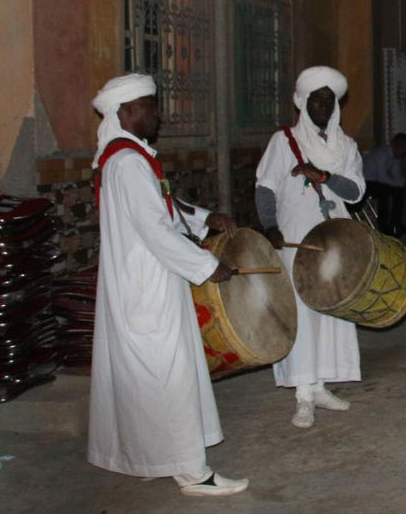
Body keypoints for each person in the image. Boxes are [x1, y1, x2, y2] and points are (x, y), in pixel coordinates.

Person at [87, 74, 248, 497]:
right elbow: (157, 231)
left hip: (139, 282)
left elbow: (163, 207)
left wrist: (204, 218)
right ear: (127, 112)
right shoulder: (127, 163)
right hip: (150, 285)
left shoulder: (127, 157)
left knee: (145, 378)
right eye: (151, 106)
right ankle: (192, 472)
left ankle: (150, 456)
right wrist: (207, 264)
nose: (159, 114)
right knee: (170, 376)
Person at [256, 66, 365, 429]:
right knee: (302, 310)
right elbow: (266, 187)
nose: (322, 106)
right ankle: (303, 394)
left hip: (335, 239)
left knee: (332, 307)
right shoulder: (283, 140)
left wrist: (325, 177)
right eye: (316, 100)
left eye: (328, 101)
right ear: (304, 103)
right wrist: (269, 225)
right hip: (296, 237)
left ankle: (320, 386)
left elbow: (356, 191)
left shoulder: (345, 146)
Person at [363, 133, 406, 236]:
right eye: (402, 146)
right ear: (394, 144)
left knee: (398, 190)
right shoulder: (382, 154)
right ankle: (384, 228)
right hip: (365, 181)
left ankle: (395, 225)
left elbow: (396, 175)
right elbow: (382, 178)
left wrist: (404, 182)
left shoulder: (395, 157)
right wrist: (402, 183)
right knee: (385, 192)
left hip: (376, 182)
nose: (404, 150)